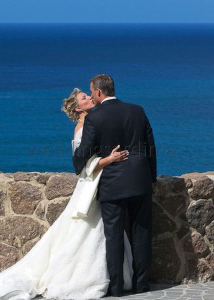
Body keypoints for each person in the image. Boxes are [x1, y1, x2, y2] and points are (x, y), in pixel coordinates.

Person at [0, 88, 133, 300]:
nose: (90, 97)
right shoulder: (82, 129)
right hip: (89, 187)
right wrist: (109, 160)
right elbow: (82, 165)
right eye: (84, 97)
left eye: (88, 95)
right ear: (77, 108)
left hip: (100, 186)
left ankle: (111, 276)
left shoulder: (94, 122)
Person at [73, 74, 157, 296]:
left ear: (99, 92)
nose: (91, 95)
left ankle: (117, 287)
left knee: (114, 236)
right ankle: (142, 284)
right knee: (141, 234)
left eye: (91, 92)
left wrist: (77, 162)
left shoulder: (95, 118)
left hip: (113, 184)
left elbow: (85, 151)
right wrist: (152, 178)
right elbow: (150, 146)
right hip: (140, 181)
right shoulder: (137, 110)